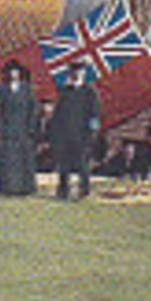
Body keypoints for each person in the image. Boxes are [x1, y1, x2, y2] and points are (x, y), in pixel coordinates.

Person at [49, 61, 102, 200]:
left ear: (83, 73)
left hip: (81, 134)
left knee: (82, 164)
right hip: (65, 134)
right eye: (74, 72)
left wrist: (92, 132)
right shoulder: (65, 92)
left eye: (79, 71)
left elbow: (94, 114)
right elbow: (58, 114)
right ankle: (63, 190)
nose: (76, 74)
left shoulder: (89, 92)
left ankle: (84, 190)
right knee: (64, 165)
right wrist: (56, 132)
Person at [0, 61, 39, 196]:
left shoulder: (27, 89)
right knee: (8, 159)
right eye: (11, 71)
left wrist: (30, 127)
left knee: (25, 159)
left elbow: (33, 109)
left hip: (23, 129)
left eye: (16, 71)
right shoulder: (2, 89)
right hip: (7, 129)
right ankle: (7, 188)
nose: (13, 74)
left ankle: (26, 188)